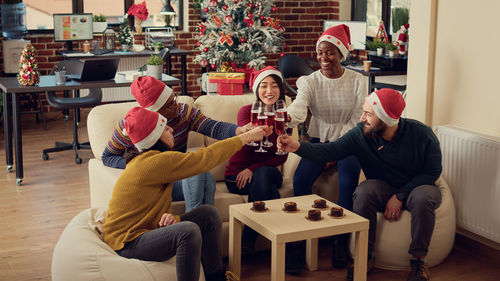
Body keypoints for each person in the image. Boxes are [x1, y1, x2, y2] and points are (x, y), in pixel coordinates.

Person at [278, 89, 442, 281]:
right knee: (364, 191)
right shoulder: (361, 134)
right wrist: (297, 147)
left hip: (418, 186)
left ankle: (418, 262)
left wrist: (400, 196)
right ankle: (365, 257)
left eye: (368, 114)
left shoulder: (422, 134)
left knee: (423, 198)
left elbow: (432, 172)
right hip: (384, 186)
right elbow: (330, 151)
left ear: (385, 118)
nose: (362, 118)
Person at [103, 106, 265, 281]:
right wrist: (245, 137)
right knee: (188, 231)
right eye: (165, 128)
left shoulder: (151, 158)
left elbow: (150, 207)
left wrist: (171, 218)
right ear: (154, 137)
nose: (172, 129)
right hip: (126, 242)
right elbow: (205, 158)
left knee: (208, 214)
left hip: (143, 230)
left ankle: (215, 276)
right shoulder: (155, 162)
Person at [102, 76, 250, 212]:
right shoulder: (132, 126)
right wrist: (137, 165)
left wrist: (240, 130)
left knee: (206, 176)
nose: (176, 105)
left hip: (179, 176)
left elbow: (213, 127)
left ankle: (203, 224)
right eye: (169, 105)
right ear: (155, 112)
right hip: (155, 184)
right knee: (197, 170)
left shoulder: (184, 113)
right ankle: (194, 219)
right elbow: (107, 156)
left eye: (174, 99)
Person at [285, 24, 367, 268]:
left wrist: (336, 149)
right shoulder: (309, 81)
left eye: (330, 52)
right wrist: (283, 119)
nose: (323, 58)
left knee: (347, 182)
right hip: (320, 139)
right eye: (320, 52)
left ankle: (340, 243)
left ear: (341, 54)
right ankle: (299, 243)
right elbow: (299, 108)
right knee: (300, 180)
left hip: (350, 141)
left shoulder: (358, 81)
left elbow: (356, 120)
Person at [224, 66, 288, 254]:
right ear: (257, 90)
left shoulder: (285, 115)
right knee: (269, 191)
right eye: (264, 86)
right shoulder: (246, 112)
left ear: (281, 89)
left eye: (274, 86)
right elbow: (248, 141)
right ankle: (288, 246)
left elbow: (282, 155)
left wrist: (253, 168)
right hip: (236, 176)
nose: (269, 91)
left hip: (265, 172)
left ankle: (247, 240)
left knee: (264, 173)